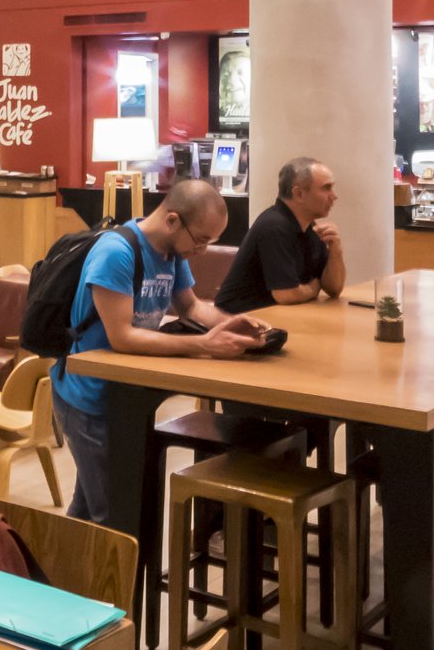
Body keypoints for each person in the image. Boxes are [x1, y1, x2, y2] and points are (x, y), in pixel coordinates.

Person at [52, 177, 271, 526]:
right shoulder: (117, 252)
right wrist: (204, 344)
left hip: (123, 392)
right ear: (172, 220)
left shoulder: (171, 251)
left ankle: (55, 571)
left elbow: (191, 307)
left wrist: (232, 323)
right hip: (88, 396)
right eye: (200, 240)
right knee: (112, 515)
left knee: (92, 507)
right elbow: (122, 337)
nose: (201, 252)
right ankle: (79, 574)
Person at [216, 156, 345, 315]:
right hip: (235, 323)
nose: (334, 196)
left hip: (271, 320)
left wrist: (336, 250)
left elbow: (334, 289)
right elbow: (286, 294)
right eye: (326, 188)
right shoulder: (274, 226)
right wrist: (313, 289)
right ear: (298, 194)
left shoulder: (310, 228)